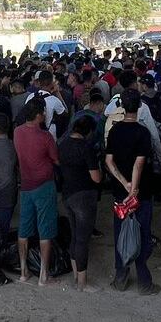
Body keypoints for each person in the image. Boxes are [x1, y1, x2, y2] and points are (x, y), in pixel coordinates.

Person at [104, 89, 161, 296]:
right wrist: (134, 188)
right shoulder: (142, 132)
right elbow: (139, 164)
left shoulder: (115, 131)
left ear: (121, 106)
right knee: (142, 233)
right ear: (138, 107)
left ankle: (121, 276)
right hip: (141, 193)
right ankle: (144, 281)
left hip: (121, 193)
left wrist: (124, 184)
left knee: (121, 232)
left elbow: (109, 161)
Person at [14, 100, 60, 286]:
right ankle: (43, 274)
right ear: (39, 115)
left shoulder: (17, 132)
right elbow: (56, 160)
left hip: (26, 185)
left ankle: (24, 271)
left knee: (24, 228)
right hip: (44, 186)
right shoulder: (45, 137)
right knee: (45, 229)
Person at [57, 114, 101, 291]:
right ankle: (83, 283)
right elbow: (96, 178)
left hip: (68, 194)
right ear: (89, 132)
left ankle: (76, 277)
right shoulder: (86, 147)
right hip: (84, 196)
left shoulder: (62, 144)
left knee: (75, 236)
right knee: (83, 239)